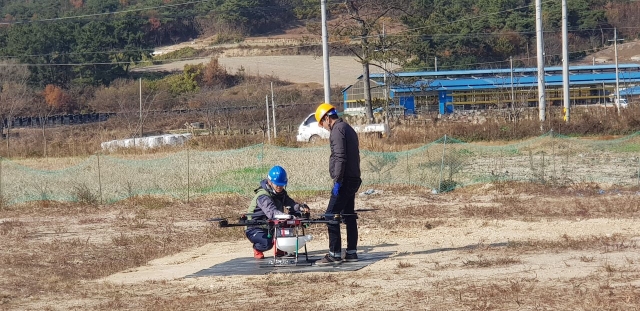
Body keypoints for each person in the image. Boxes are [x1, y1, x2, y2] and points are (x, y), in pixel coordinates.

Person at [314, 103, 362, 265]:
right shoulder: (347, 128)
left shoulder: (337, 131)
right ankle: (351, 252)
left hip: (345, 180)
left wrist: (338, 181)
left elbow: (340, 157)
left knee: (331, 215)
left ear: (327, 118)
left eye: (322, 124)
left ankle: (334, 254)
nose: (324, 127)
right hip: (354, 178)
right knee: (348, 215)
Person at [245, 165, 310, 259]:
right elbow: (272, 213)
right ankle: (257, 248)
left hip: (271, 226)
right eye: (277, 184)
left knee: (288, 226)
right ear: (270, 182)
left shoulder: (281, 193)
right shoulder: (263, 196)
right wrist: (287, 216)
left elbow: (291, 204)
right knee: (267, 243)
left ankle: (281, 249)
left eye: (282, 184)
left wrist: (300, 208)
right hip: (255, 227)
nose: (280, 187)